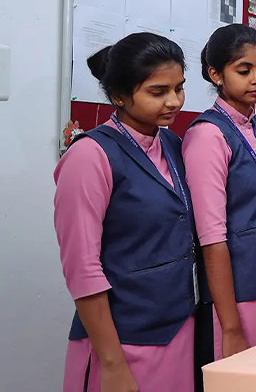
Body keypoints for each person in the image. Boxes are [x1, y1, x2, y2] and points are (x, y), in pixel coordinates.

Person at [54, 33, 196, 392]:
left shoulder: (173, 145)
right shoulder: (90, 157)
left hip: (176, 331)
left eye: (179, 88)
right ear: (119, 96)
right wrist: (113, 364)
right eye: (158, 91)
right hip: (121, 342)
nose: (174, 101)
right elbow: (82, 269)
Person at [182, 25, 256, 362]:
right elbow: (211, 238)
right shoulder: (207, 136)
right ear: (216, 74)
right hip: (236, 297)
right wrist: (230, 328)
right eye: (243, 70)